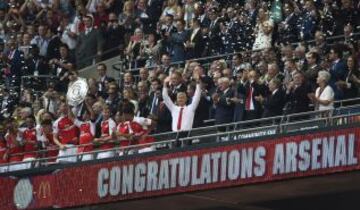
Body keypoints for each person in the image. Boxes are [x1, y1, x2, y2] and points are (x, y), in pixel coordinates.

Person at [162, 74, 201, 146]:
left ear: (186, 99)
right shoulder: (173, 108)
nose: (181, 99)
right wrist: (165, 84)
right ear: (176, 100)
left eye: (183, 97)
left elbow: (197, 96)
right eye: (179, 97)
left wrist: (198, 83)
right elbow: (165, 97)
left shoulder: (191, 108)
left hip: (186, 134)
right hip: (174, 134)